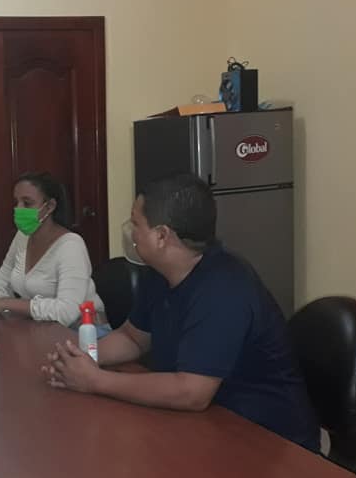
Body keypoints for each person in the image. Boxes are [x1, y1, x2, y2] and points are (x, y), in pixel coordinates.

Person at [43, 173, 319, 451]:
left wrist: (97, 381)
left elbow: (192, 392)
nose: (130, 232)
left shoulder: (224, 287)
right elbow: (133, 338)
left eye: (136, 223)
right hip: (207, 423)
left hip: (269, 441)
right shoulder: (160, 273)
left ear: (162, 236)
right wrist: (78, 360)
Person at [0, 172, 105, 329]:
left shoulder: (71, 245)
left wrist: (5, 303)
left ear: (50, 206)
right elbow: (2, 279)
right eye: (16, 202)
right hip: (42, 327)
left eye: (27, 203)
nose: (18, 209)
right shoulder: (22, 236)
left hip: (84, 331)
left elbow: (67, 312)